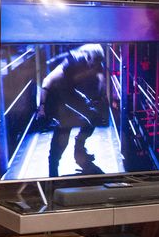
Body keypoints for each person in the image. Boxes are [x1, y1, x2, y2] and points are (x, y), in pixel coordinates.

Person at [36, 43, 106, 177]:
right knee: (63, 135)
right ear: (88, 58)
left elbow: (100, 76)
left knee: (94, 116)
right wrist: (42, 107)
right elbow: (47, 81)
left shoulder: (95, 62)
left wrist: (98, 97)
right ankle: (53, 171)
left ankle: (79, 148)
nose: (95, 66)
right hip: (56, 95)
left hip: (69, 92)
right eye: (94, 62)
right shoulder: (71, 61)